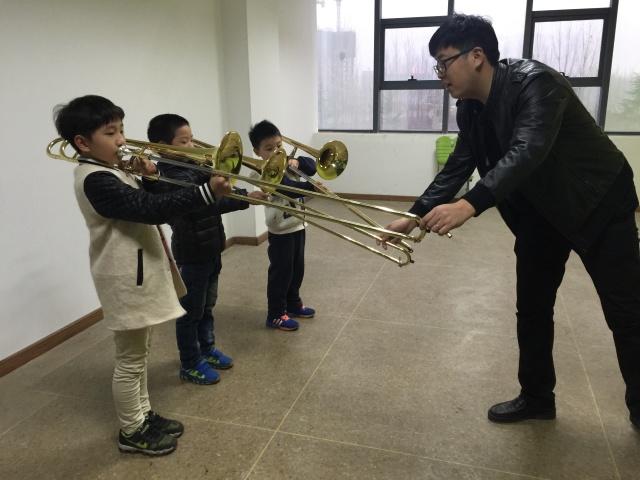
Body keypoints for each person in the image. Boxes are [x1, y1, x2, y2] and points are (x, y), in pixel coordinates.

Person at [380, 14, 640, 429]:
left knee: (626, 313)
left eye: (444, 62)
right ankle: (536, 398)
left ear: (476, 56)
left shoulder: (537, 83)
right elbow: (459, 163)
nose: (440, 73)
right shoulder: (470, 108)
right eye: (437, 65)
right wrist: (414, 214)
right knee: (532, 309)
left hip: (597, 203)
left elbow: (527, 150)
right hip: (540, 213)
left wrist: (469, 205)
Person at [53, 95, 232, 455]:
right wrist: (205, 192)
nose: (121, 139)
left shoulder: (114, 170)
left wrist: (149, 177)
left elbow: (153, 199)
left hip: (138, 274)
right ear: (83, 143)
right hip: (123, 279)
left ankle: (143, 415)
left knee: (140, 353)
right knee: (130, 361)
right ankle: (132, 430)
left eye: (121, 129)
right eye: (110, 133)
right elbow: (150, 210)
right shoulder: (95, 179)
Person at [146, 114, 268, 385]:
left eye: (191, 139)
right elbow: (207, 203)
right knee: (191, 312)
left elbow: (221, 192)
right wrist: (246, 198)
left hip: (211, 247)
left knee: (207, 306)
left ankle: (207, 348)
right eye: (184, 141)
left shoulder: (193, 166)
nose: (192, 146)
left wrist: (242, 192)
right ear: (162, 146)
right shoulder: (169, 175)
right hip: (192, 253)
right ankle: (190, 362)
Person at [248, 120, 317, 331]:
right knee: (281, 272)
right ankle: (276, 313)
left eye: (279, 145)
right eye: (269, 149)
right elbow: (286, 188)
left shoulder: (287, 163)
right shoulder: (259, 172)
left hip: (298, 224)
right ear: (257, 152)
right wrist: (311, 188)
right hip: (280, 231)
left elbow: (313, 167)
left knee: (297, 269)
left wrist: (297, 162)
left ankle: (293, 303)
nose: (276, 151)